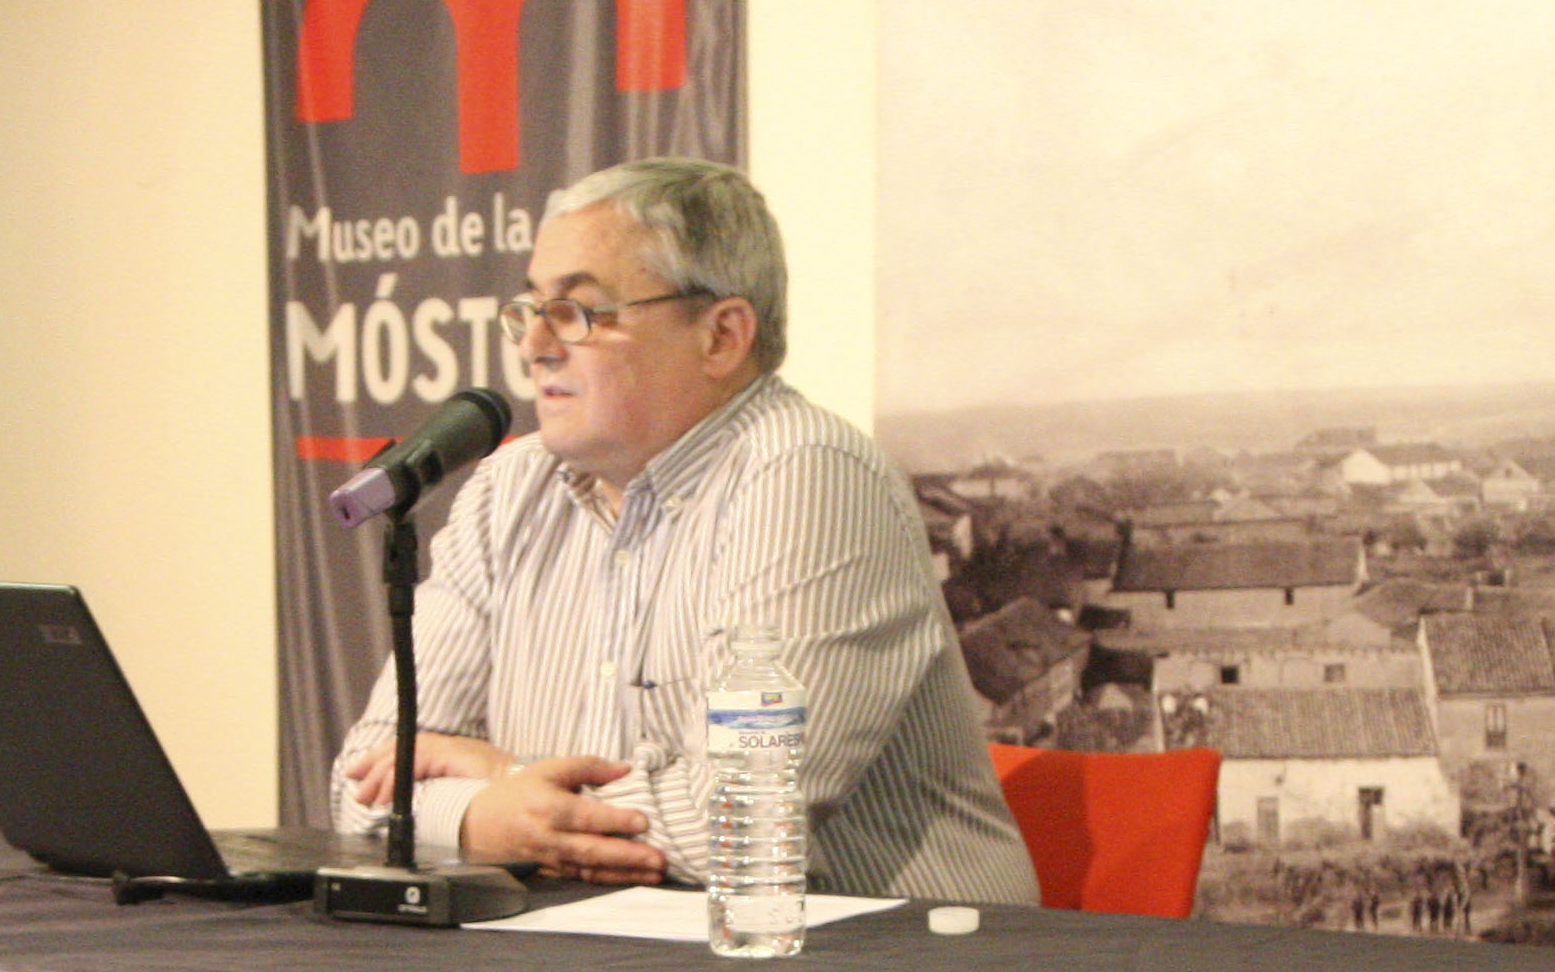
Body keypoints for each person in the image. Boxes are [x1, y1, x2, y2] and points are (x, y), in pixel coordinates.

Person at [331, 158, 1038, 903]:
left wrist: (505, 784)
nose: (535, 342)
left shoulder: (807, 473)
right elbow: (361, 787)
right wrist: (485, 816)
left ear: (721, 337)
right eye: (531, 307)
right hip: (612, 946)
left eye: (578, 311)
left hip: (886, 954)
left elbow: (740, 820)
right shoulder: (508, 490)